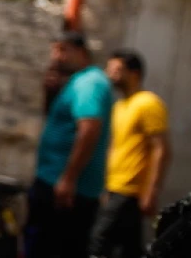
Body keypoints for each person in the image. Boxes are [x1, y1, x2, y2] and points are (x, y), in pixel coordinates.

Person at [23, 30, 114, 258]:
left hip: (65, 190)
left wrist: (69, 178)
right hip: (57, 183)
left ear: (81, 53)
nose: (56, 56)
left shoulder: (90, 83)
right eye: (54, 49)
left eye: (63, 50)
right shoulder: (77, 81)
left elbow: (89, 128)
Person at [89, 49, 171, 258]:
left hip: (130, 190)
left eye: (116, 69)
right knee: (128, 249)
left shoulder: (148, 103)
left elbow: (161, 148)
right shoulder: (120, 106)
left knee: (99, 240)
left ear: (134, 73)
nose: (110, 74)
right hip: (114, 187)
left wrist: (151, 191)